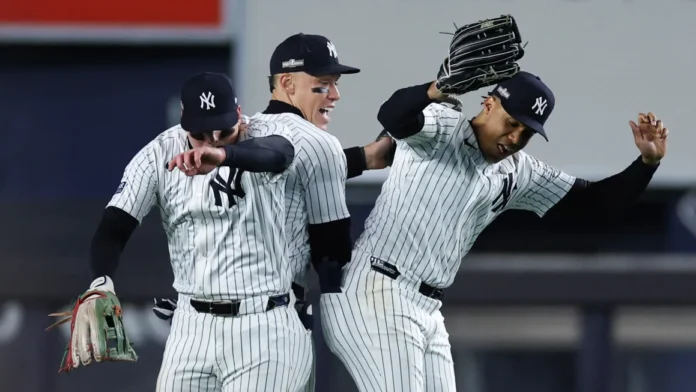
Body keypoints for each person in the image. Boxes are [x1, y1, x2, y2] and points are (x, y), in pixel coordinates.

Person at [319, 71, 668, 392]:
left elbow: (597, 204)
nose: (516, 137)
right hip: (375, 290)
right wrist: (437, 87)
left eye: (528, 132)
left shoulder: (519, 170)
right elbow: (392, 116)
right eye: (512, 122)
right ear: (489, 104)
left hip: (426, 308)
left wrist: (646, 163)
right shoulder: (444, 125)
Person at [153, 33, 394, 392]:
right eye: (323, 84)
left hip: (204, 315)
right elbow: (332, 250)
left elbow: (292, 163)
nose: (335, 94)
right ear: (286, 83)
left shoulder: (240, 132)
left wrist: (363, 158)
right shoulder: (310, 144)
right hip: (274, 322)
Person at [54, 72, 312, 392]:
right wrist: (101, 280)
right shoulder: (159, 153)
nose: (212, 140)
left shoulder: (266, 132)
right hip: (192, 326)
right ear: (183, 121)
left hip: (265, 323)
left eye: (224, 131)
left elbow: (279, 154)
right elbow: (114, 225)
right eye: (201, 134)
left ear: (240, 114)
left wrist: (223, 155)